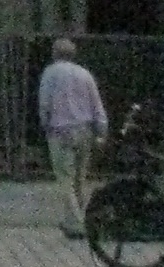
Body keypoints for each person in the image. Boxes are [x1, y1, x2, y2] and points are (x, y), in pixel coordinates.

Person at [36, 40, 109, 239]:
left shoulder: (50, 73)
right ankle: (77, 218)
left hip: (60, 131)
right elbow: (96, 103)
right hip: (85, 130)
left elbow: (45, 102)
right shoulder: (85, 74)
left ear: (54, 53)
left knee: (65, 178)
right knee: (79, 178)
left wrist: (45, 124)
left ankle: (76, 223)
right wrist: (101, 129)